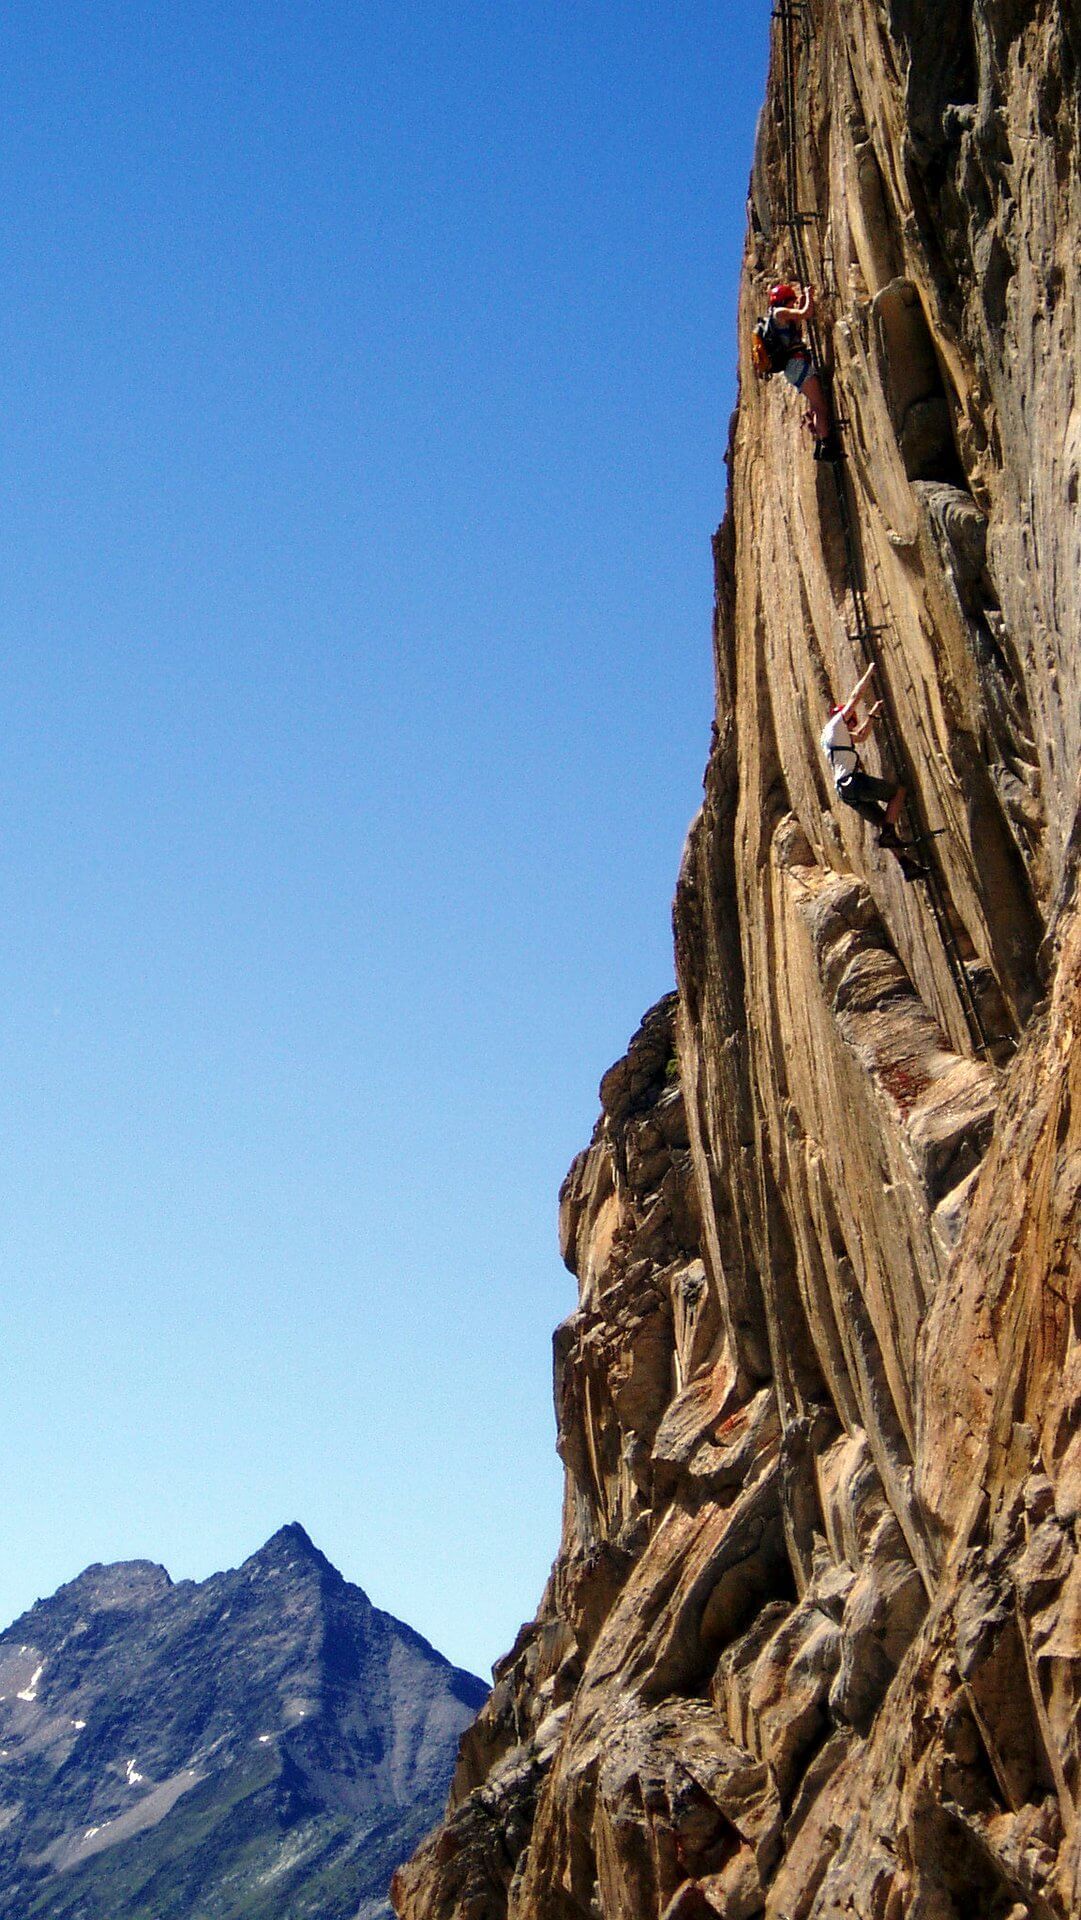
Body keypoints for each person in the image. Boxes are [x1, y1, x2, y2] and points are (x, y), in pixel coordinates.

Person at [821, 666, 927, 880]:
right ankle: (888, 832)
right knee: (898, 793)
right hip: (853, 783)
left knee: (882, 820)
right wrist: (870, 672)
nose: (854, 722)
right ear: (845, 718)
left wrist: (872, 715)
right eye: (853, 719)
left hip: (846, 793)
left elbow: (860, 736)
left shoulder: (832, 736)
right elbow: (855, 696)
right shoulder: (836, 725)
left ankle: (906, 865)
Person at [765, 281, 837, 454]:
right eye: (791, 300)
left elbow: (799, 317)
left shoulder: (776, 316)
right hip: (797, 364)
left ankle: (819, 436)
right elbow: (806, 313)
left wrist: (804, 299)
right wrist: (809, 297)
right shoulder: (780, 313)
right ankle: (826, 444)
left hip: (794, 366)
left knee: (816, 403)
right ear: (785, 300)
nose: (793, 304)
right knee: (820, 406)